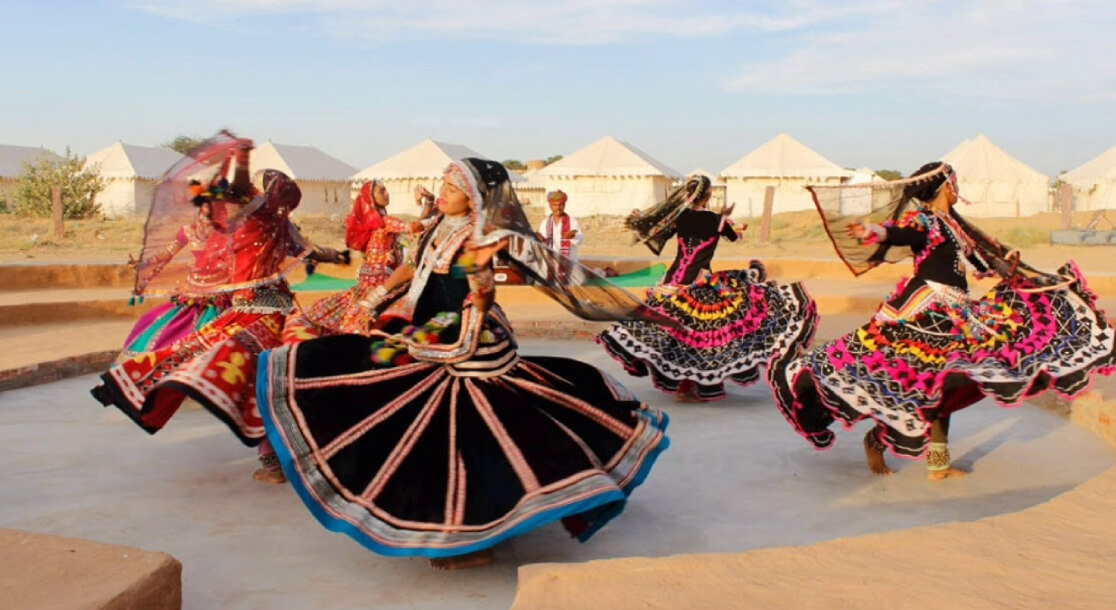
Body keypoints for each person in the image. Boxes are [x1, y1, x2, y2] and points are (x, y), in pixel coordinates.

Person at [255, 158, 669, 570]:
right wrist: (373, 295)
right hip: (425, 331)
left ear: (474, 198)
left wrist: (481, 290)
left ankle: (471, 541)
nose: (443, 193)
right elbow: (412, 265)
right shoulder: (437, 225)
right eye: (443, 185)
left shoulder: (484, 236)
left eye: (451, 188)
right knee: (369, 378)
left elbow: (516, 282)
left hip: (468, 338)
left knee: (460, 434)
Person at [768, 162, 1116, 480]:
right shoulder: (926, 221)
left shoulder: (955, 227)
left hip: (956, 310)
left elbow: (981, 266)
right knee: (916, 382)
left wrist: (1008, 266)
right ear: (945, 186)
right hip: (922, 312)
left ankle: (935, 464)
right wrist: (872, 232)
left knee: (946, 381)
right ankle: (879, 439)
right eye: (954, 181)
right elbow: (899, 233)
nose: (957, 187)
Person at [91, 133, 348, 484]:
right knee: (265, 377)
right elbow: (312, 250)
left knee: (216, 366)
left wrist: (241, 159)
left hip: (249, 310)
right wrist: (337, 255)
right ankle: (285, 453)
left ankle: (274, 460)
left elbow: (239, 190)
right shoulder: (277, 221)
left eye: (260, 184)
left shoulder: (255, 215)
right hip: (273, 310)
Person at [598, 175, 819, 401]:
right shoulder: (718, 221)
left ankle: (683, 386)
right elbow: (735, 237)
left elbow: (655, 231)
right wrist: (723, 216)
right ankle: (689, 387)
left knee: (677, 334)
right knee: (702, 336)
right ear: (709, 195)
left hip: (672, 281)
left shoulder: (679, 217)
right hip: (699, 282)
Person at [282, 179, 434, 339]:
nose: (387, 194)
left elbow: (415, 227)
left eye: (386, 190)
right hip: (380, 278)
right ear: (371, 198)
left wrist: (428, 203)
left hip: (374, 275)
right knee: (374, 314)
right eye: (381, 191)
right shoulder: (383, 222)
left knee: (358, 310)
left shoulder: (377, 221)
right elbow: (415, 227)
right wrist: (441, 216)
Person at [119, 181, 232, 360]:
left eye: (216, 204)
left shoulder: (230, 232)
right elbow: (168, 253)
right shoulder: (189, 231)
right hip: (193, 292)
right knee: (155, 327)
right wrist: (147, 263)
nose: (211, 208)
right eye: (206, 203)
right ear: (200, 206)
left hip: (222, 294)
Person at [535, 189, 583, 262]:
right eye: (555, 205)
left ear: (564, 205)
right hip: (550, 265)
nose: (558, 208)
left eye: (561, 205)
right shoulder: (544, 223)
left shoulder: (572, 222)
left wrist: (572, 237)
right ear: (550, 206)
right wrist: (541, 240)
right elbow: (543, 245)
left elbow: (580, 241)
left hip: (569, 264)